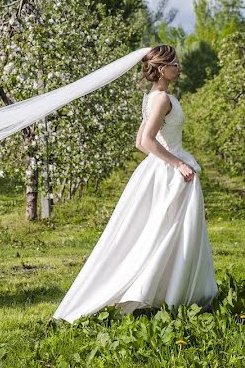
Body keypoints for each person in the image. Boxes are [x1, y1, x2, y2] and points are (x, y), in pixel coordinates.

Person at [53, 45, 218, 322]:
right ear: (162, 69)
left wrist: (167, 161)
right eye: (175, 64)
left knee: (165, 231)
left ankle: (164, 291)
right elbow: (147, 141)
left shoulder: (153, 97)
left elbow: (141, 143)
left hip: (160, 170)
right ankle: (170, 294)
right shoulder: (162, 98)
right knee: (170, 231)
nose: (179, 68)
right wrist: (176, 163)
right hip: (171, 172)